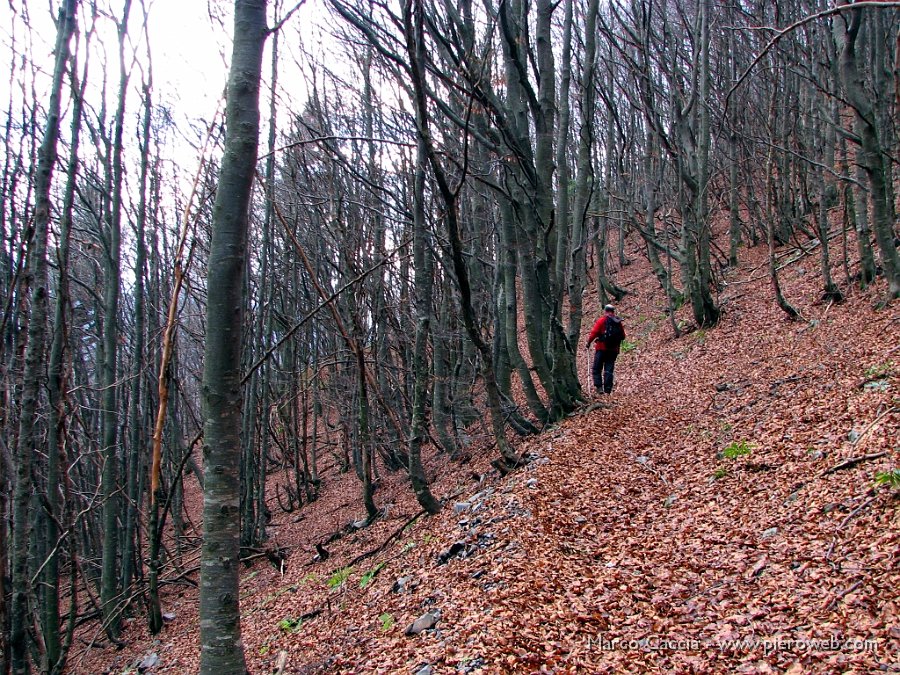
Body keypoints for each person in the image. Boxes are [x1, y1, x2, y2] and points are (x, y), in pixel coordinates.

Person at [585, 304, 625, 396]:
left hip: (601, 348)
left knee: (597, 368)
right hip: (613, 350)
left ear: (605, 311)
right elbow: (623, 336)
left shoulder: (601, 320)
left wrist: (588, 342)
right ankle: (607, 389)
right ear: (613, 311)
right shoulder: (617, 321)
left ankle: (599, 388)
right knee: (609, 369)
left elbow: (594, 333)